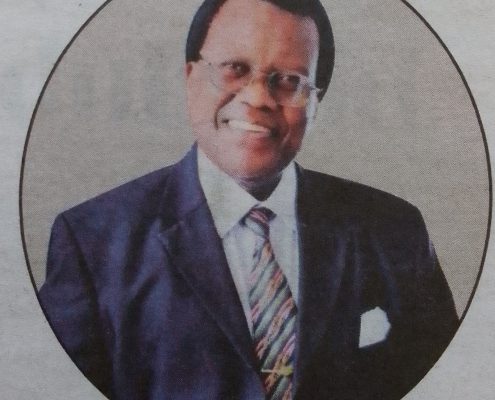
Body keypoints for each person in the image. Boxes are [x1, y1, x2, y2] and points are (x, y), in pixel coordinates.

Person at [39, 0, 459, 399]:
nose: (258, 98)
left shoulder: (393, 230)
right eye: (234, 69)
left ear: (316, 101)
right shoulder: (93, 243)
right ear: (190, 78)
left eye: (289, 80)